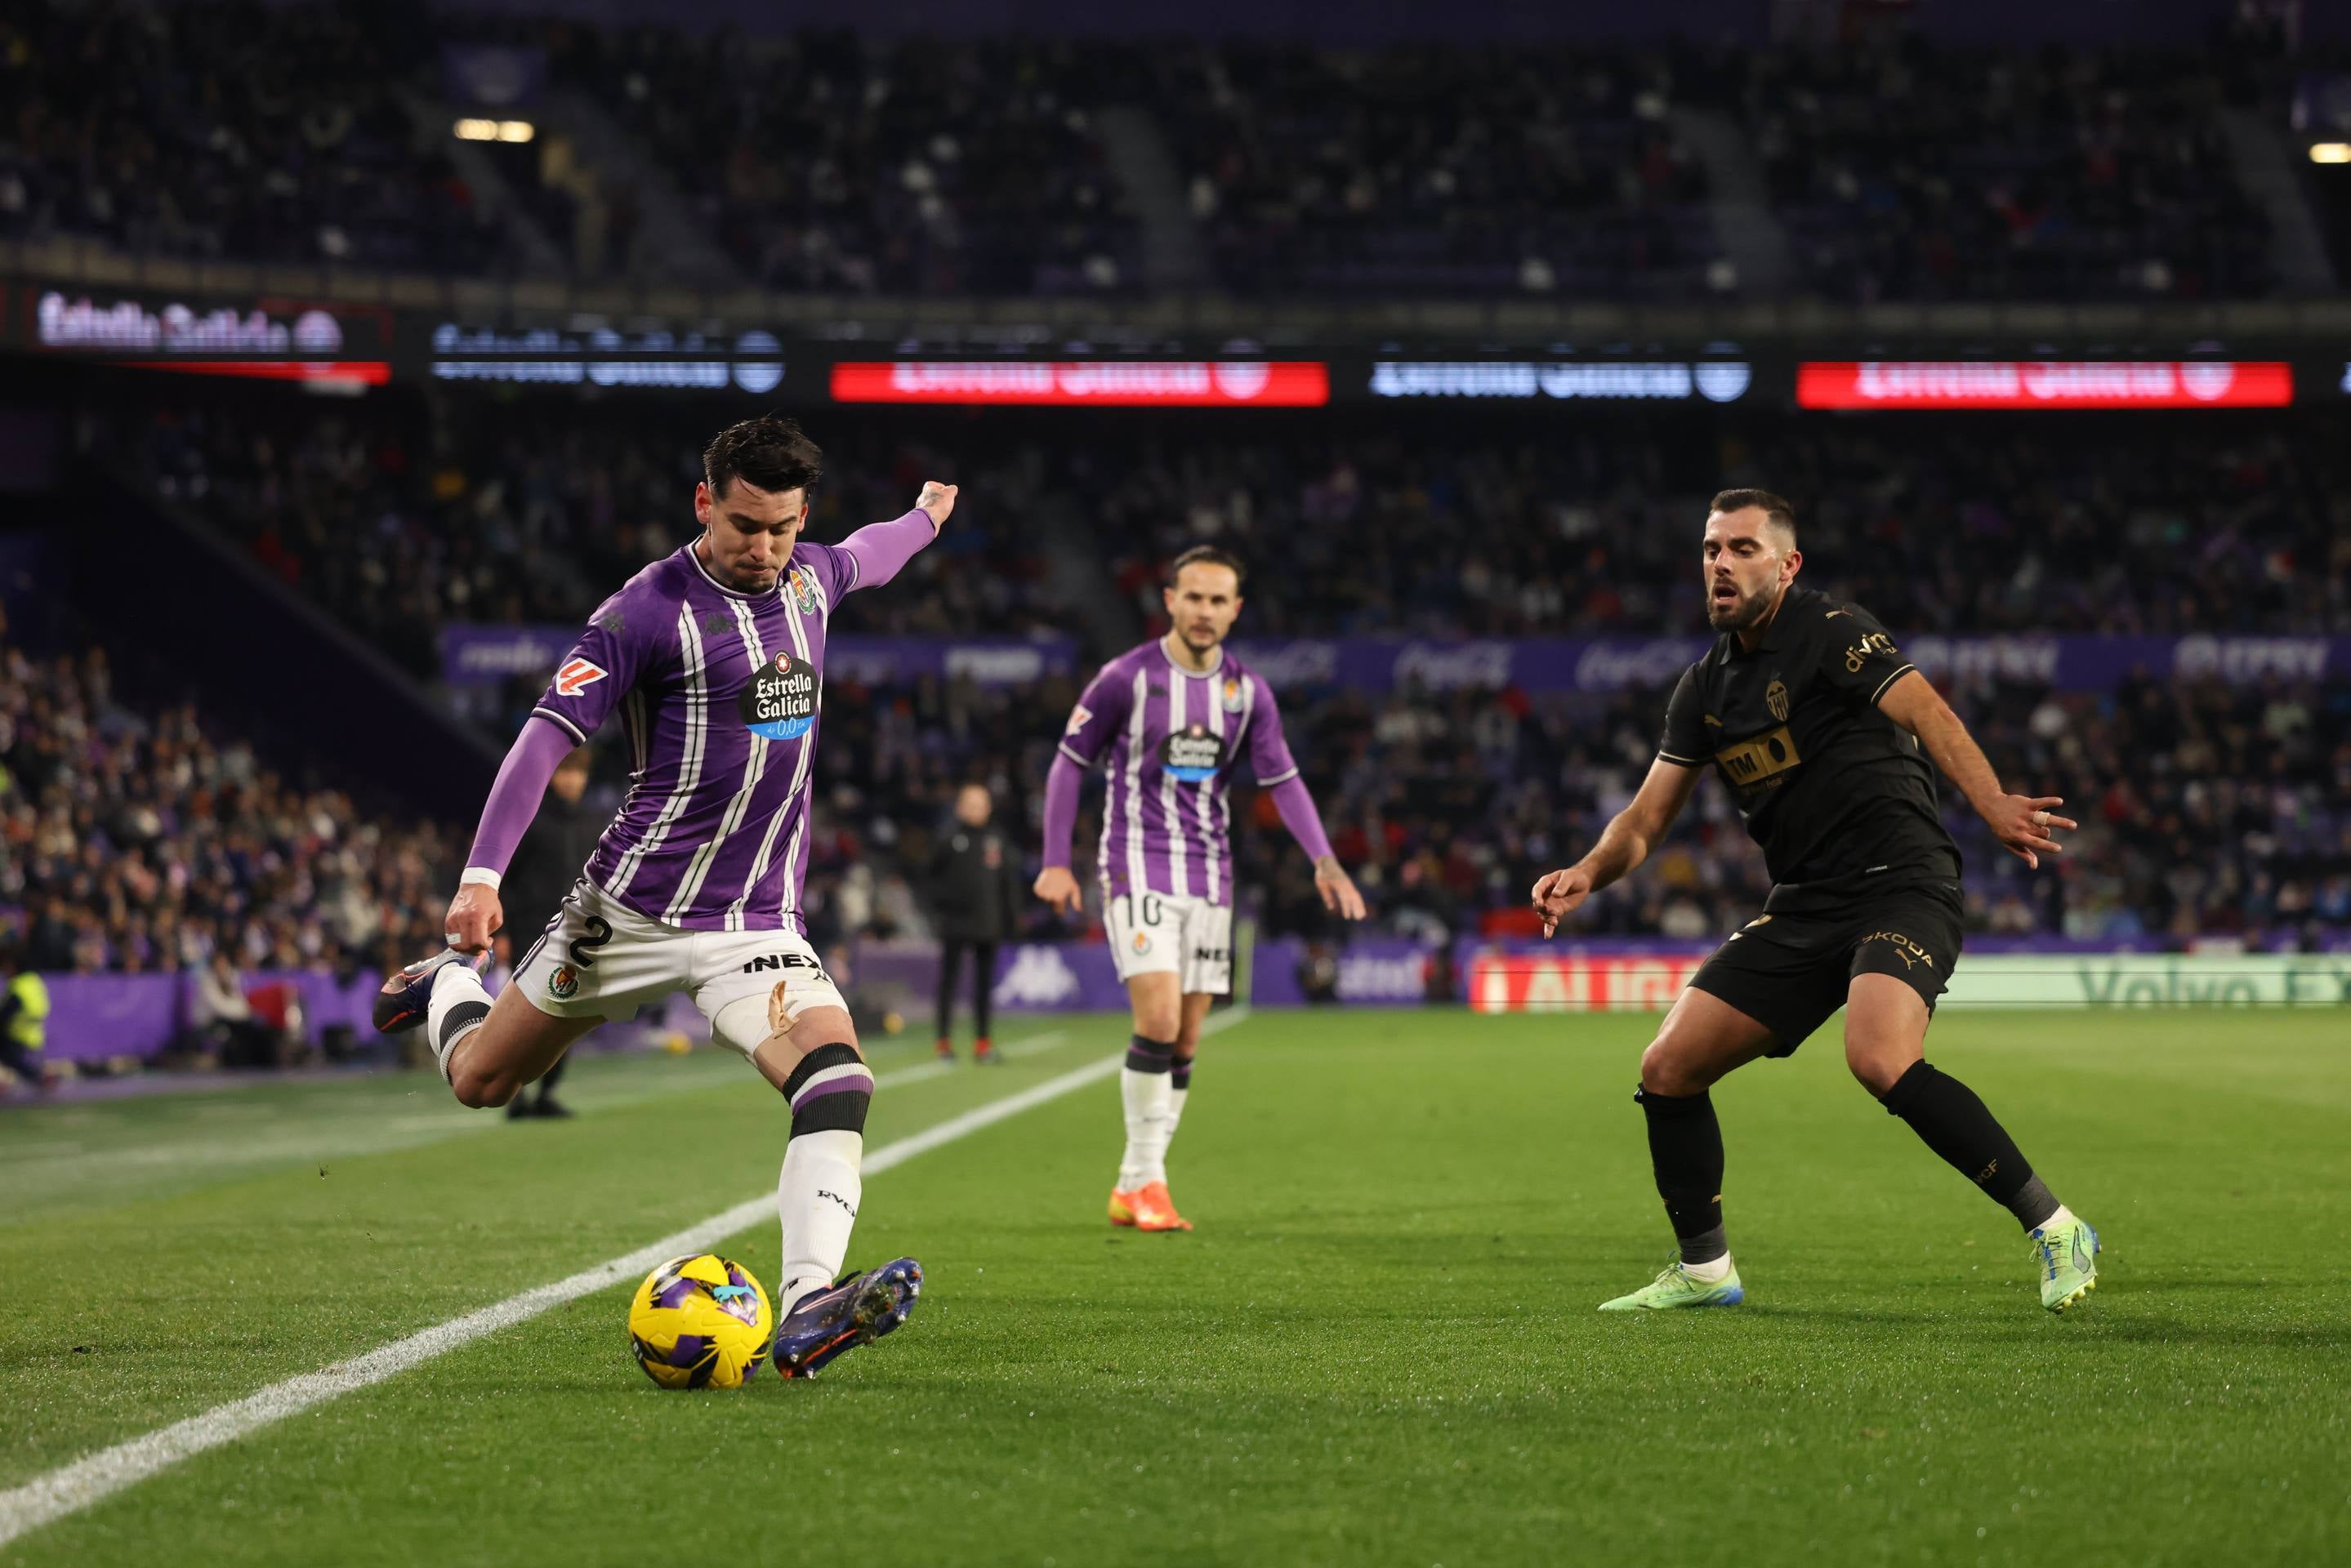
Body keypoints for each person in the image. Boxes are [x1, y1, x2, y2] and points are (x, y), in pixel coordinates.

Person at [374, 416, 957, 1379]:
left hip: (755, 924)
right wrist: (479, 880)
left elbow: (872, 553)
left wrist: (927, 517)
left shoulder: (814, 576)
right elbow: (544, 738)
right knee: (481, 1081)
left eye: (780, 528)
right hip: (628, 914)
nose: (763, 549)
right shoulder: (642, 612)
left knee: (840, 1080)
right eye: (742, 526)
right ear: (703, 502)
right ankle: (446, 982)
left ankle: (810, 1305)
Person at [1529, 489, 2099, 1315]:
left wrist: (1991, 803)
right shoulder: (1704, 687)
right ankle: (1704, 1271)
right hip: (1804, 904)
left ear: (1787, 564)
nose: (1719, 564)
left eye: (1741, 549)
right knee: (1668, 1068)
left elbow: (1927, 709)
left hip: (1902, 881)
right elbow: (1645, 821)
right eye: (1710, 549)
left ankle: (2055, 1226)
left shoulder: (1831, 632)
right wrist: (1588, 870)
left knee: (1877, 1057)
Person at [1036, 546, 1367, 1233]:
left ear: (1236, 609)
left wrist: (1325, 859)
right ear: (1170, 600)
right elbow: (1069, 765)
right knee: (1156, 1021)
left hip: (1211, 876)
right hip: (1136, 863)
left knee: (1185, 1039)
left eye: (1219, 601)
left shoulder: (1246, 693)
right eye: (1195, 597)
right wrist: (1055, 860)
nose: (1206, 611)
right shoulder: (1124, 679)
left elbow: (1284, 780)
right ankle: (1144, 1181)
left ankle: (1137, 1185)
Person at [499, 746, 601, 1119]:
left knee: (567, 1016)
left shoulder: (595, 824)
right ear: (552, 776)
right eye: (566, 772)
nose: (573, 780)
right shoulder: (531, 821)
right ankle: (514, 1093)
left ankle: (546, 1091)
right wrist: (504, 932)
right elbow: (507, 882)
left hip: (577, 934)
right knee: (525, 1015)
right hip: (531, 931)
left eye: (579, 773)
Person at [928, 782, 1023, 1063]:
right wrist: (945, 905)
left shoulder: (997, 839)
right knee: (949, 983)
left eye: (981, 804)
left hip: (987, 923)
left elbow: (1008, 883)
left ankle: (983, 1043)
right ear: (960, 807)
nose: (976, 810)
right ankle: (943, 1043)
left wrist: (1012, 918)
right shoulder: (948, 838)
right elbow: (929, 877)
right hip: (955, 923)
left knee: (983, 987)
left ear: (989, 808)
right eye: (970, 804)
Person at [0, 944, 54, 1095]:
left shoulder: (19, 986)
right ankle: (39, 1077)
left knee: (9, 1055)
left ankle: (37, 1077)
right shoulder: (35, 981)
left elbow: (5, 1015)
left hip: (18, 1036)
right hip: (35, 1037)